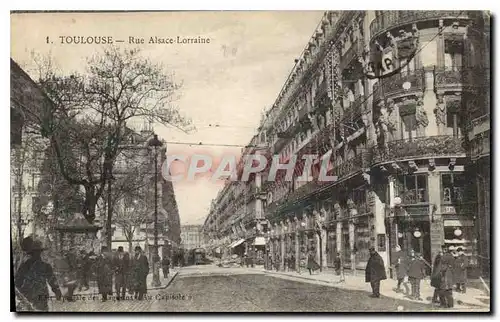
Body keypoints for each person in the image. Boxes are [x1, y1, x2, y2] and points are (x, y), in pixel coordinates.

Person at [15, 238, 62, 311]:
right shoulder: (45, 266)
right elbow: (52, 280)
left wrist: (24, 293)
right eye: (38, 252)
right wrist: (57, 291)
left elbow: (17, 282)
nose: (38, 254)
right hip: (40, 297)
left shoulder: (24, 265)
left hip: (30, 297)